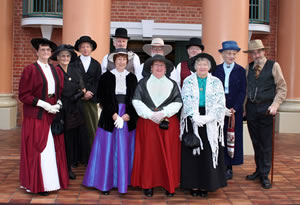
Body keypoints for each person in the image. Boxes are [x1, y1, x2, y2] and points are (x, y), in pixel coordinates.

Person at [83, 48, 138, 195]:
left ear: (127, 61)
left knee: (125, 148)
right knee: (108, 149)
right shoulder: (106, 76)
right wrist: (114, 115)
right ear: (114, 61)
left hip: (127, 116)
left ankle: (124, 181)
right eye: (118, 59)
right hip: (109, 116)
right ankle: (105, 183)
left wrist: (128, 115)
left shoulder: (132, 77)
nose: (121, 62)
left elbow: (135, 99)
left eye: (124, 59)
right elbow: (103, 98)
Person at [18, 38, 69, 196]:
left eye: (48, 50)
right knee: (39, 149)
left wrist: (58, 103)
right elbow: (23, 95)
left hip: (52, 113)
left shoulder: (55, 70)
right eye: (42, 50)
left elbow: (60, 89)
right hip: (36, 115)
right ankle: (39, 184)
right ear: (37, 52)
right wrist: (44, 105)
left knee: (52, 149)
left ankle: (51, 182)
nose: (46, 53)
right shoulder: (30, 70)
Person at [131, 55, 182, 197]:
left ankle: (169, 184)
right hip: (148, 123)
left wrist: (164, 113)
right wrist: (150, 115)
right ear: (151, 68)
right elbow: (136, 101)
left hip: (168, 124)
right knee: (149, 155)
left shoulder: (173, 84)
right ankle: (148, 184)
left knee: (169, 154)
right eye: (156, 65)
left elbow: (178, 102)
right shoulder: (142, 83)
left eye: (162, 65)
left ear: (166, 69)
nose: (159, 68)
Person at [180, 53, 227, 197]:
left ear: (209, 67)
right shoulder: (188, 81)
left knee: (208, 152)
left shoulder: (216, 82)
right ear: (195, 67)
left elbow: (220, 102)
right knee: (193, 153)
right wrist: (195, 116)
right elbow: (185, 99)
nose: (202, 66)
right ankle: (193, 185)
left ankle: (207, 185)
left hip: (210, 120)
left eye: (205, 64)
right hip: (192, 119)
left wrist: (209, 117)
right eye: (199, 64)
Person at [244, 39, 287, 189]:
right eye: (253, 53)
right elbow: (246, 89)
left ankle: (265, 174)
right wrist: (244, 108)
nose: (256, 55)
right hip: (251, 109)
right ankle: (258, 170)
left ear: (263, 51)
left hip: (266, 108)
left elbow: (282, 88)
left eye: (258, 52)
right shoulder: (248, 67)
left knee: (266, 144)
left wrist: (275, 105)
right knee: (256, 142)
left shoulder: (274, 66)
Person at [51, 44, 90, 180]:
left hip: (76, 111)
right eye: (63, 56)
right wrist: (78, 94)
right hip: (61, 111)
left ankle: (70, 166)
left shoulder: (75, 71)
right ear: (58, 57)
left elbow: (83, 87)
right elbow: (65, 92)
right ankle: (61, 168)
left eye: (67, 56)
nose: (65, 58)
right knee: (62, 141)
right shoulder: (54, 71)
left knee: (73, 140)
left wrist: (78, 94)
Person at [213, 41, 247, 180]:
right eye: (228, 53)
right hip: (219, 106)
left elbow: (242, 91)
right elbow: (213, 90)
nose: (231, 56)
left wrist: (236, 108)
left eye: (234, 54)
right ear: (222, 54)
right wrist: (220, 106)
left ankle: (229, 167)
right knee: (218, 135)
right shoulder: (215, 69)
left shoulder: (240, 70)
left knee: (232, 136)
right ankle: (219, 164)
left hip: (235, 108)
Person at [72, 36, 102, 150]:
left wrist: (90, 92)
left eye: (88, 46)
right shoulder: (74, 63)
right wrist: (81, 93)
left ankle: (91, 154)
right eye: (83, 47)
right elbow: (73, 80)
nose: (85, 49)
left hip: (91, 99)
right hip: (77, 99)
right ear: (79, 49)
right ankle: (78, 156)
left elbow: (98, 81)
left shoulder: (96, 64)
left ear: (91, 48)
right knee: (77, 127)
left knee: (91, 127)